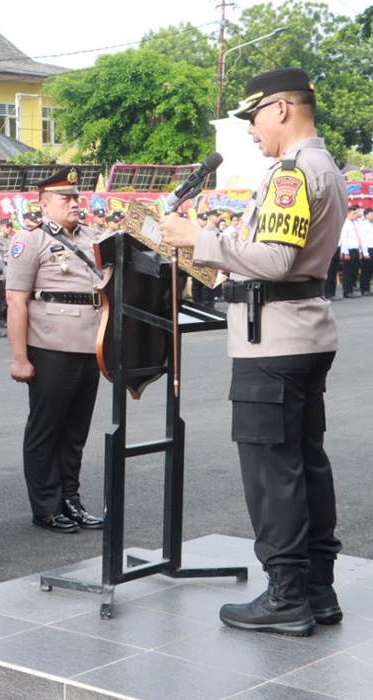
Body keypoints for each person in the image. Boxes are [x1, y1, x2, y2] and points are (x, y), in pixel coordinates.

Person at [161, 68, 346, 637]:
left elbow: (275, 262)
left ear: (283, 110)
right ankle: (316, 589)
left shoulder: (292, 174)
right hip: (300, 333)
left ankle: (287, 595)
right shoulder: (322, 167)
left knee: (273, 471)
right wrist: (210, 253)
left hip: (275, 341)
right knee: (304, 463)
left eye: (254, 116)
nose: (249, 130)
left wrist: (198, 240)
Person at [5, 166, 105, 534]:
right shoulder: (30, 240)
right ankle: (46, 506)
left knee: (75, 432)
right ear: (45, 205)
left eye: (76, 197)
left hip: (89, 346)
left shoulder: (90, 238)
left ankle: (71, 500)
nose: (75, 203)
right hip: (50, 347)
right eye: (65, 198)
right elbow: (16, 301)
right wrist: (19, 358)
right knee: (46, 430)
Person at [339, 204, 363, 298]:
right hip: (349, 250)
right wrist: (345, 252)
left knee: (353, 271)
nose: (356, 215)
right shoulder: (346, 223)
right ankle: (347, 291)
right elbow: (343, 238)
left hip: (355, 249)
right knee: (347, 272)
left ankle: (351, 289)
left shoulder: (353, 224)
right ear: (348, 214)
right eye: (354, 213)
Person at [360, 208, 373, 296]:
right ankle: (364, 289)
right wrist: (364, 252)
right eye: (371, 214)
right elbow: (363, 240)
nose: (372, 215)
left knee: (371, 270)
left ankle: (368, 288)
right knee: (366, 270)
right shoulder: (363, 225)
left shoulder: (371, 224)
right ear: (366, 215)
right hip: (367, 249)